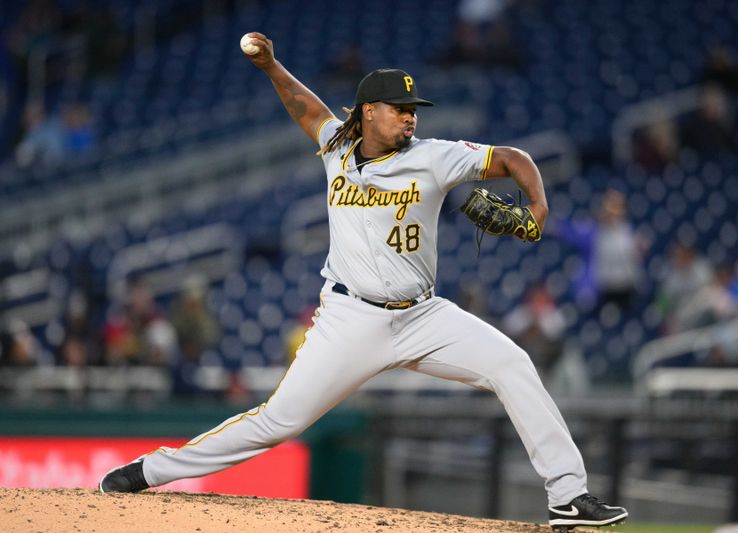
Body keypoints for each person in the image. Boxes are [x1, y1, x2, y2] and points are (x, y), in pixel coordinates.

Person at [99, 32, 627, 529]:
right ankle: (151, 471)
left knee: (512, 363)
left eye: (413, 110)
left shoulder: (435, 156)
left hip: (424, 315)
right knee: (278, 421)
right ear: (369, 112)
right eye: (400, 109)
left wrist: (537, 204)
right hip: (350, 318)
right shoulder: (338, 148)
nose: (409, 118)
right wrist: (270, 66)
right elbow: (307, 108)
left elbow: (513, 158)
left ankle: (567, 496)